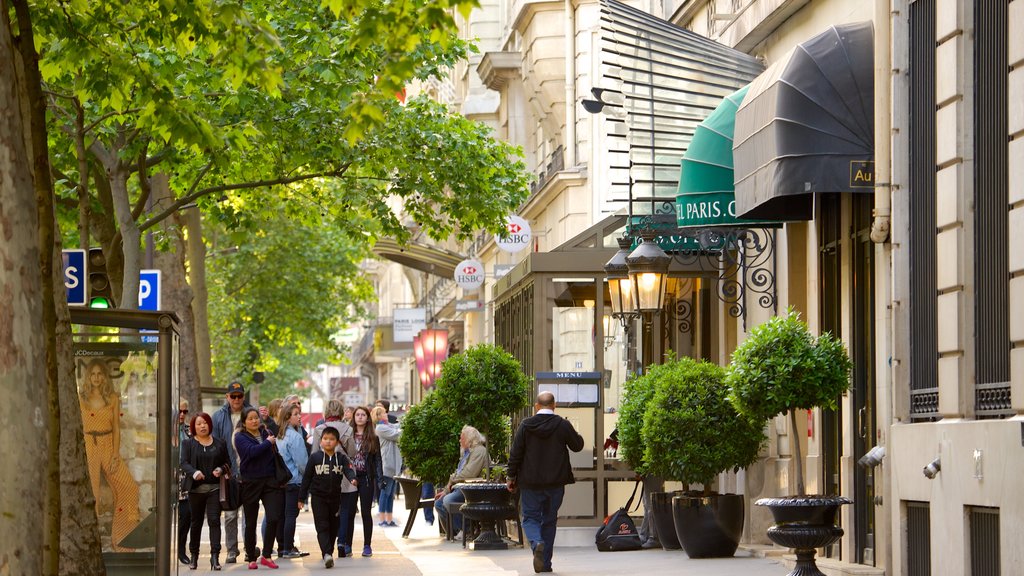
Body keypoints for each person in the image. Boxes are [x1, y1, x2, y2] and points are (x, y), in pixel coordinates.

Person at [507, 391, 584, 574]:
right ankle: (546, 564)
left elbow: (515, 453)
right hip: (556, 484)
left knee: (530, 518)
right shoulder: (562, 425)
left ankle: (536, 543)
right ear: (554, 405)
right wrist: (574, 432)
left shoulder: (526, 425)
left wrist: (511, 477)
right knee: (549, 521)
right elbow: (578, 445)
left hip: (531, 483)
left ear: (536, 406)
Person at [79, 358, 141, 552]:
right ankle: (89, 547)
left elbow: (116, 427)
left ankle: (122, 541)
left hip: (107, 444)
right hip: (88, 444)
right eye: (93, 374)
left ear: (104, 377)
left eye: (100, 374)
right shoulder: (80, 397)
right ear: (88, 376)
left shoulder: (113, 398)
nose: (96, 378)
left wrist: (115, 453)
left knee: (129, 487)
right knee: (92, 495)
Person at [233, 407, 285, 569]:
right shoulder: (240, 437)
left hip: (270, 481)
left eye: (256, 418)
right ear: (244, 422)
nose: (255, 421)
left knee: (274, 517)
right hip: (251, 482)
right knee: (250, 521)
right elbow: (251, 453)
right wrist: (268, 443)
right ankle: (251, 558)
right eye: (250, 419)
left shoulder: (265, 432)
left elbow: (270, 454)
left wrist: (268, 442)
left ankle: (267, 555)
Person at [299, 426, 358, 569]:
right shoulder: (315, 458)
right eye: (325, 439)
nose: (328, 442)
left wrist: (352, 479)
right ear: (321, 441)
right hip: (318, 497)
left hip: (335, 498)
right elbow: (306, 478)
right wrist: (301, 498)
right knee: (322, 525)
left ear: (337, 442)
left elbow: (348, 469)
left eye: (332, 439)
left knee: (333, 526)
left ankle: (328, 552)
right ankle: (326, 553)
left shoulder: (341, 458)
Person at [180, 412, 231, 570]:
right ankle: (194, 555)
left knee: (214, 521)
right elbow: (183, 462)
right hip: (196, 490)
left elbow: (227, 462)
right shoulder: (188, 444)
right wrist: (194, 472)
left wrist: (220, 469)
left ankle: (215, 557)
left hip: (214, 489)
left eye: (205, 423)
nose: (202, 426)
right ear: (194, 427)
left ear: (210, 424)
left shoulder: (220, 443)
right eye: (198, 424)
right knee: (196, 522)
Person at [211, 381, 250, 563]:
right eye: (232, 396)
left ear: (243, 396)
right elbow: (215, 444)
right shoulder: (218, 417)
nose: (236, 399)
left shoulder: (251, 414)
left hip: (249, 472)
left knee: (249, 514)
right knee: (230, 514)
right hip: (228, 473)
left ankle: (249, 549)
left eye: (239, 396)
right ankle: (232, 550)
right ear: (227, 397)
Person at [337, 406, 382, 558]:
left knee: (365, 512)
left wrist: (380, 479)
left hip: (366, 478)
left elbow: (377, 460)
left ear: (368, 418)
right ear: (353, 417)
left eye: (363, 415)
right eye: (358, 415)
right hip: (350, 478)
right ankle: (348, 544)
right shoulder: (347, 435)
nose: (360, 417)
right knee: (349, 512)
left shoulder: (373, 437)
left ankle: (367, 545)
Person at [434, 425, 489, 539]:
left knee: (448, 500)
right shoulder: (467, 452)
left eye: (461, 437)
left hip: (473, 489)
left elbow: (468, 473)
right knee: (439, 503)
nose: (459, 440)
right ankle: (460, 530)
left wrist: (452, 482)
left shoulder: (479, 451)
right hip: (462, 487)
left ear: (469, 439)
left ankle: (468, 530)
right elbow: (458, 473)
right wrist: (446, 489)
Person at [276, 404, 309, 559]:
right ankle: (288, 548)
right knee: (290, 515)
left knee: (282, 515)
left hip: (281, 481)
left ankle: (282, 546)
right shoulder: (295, 437)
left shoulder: (279, 435)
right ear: (288, 417)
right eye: (296, 414)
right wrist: (308, 478)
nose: (299, 417)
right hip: (294, 480)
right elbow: (302, 462)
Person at [372, 406, 402, 527]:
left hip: (393, 465)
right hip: (386, 465)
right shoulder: (380, 428)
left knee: (390, 493)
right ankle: (383, 519)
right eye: (384, 413)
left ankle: (389, 519)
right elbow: (396, 434)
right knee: (385, 492)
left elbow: (397, 427)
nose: (386, 414)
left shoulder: (387, 425)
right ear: (378, 416)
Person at [175, 398, 193, 565]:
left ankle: (181, 549)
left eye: (184, 412)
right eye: (179, 411)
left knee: (186, 515)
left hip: (185, 478)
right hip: (168, 477)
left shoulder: (189, 431)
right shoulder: (164, 429)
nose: (182, 415)